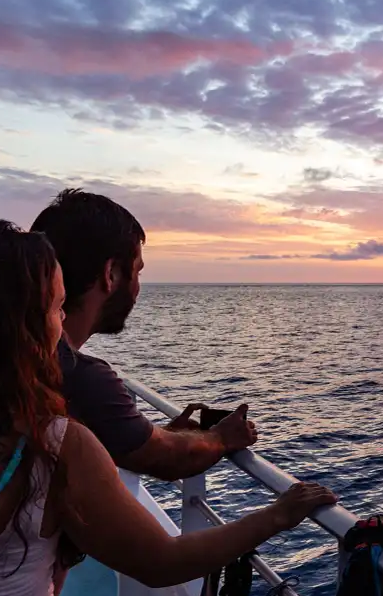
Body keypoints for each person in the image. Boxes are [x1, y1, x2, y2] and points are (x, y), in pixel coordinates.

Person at [0, 221, 336, 596]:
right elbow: (161, 562)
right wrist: (277, 515)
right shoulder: (54, 448)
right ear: (16, 333)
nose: (61, 327)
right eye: (56, 309)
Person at [31, 189, 248, 481]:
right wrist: (221, 437)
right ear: (111, 274)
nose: (137, 289)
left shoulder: (13, 353)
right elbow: (164, 458)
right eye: (138, 272)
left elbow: (136, 444)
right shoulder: (75, 375)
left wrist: (165, 435)